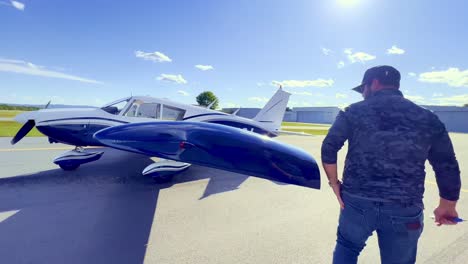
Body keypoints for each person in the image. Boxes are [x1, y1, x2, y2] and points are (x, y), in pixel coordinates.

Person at [321, 65, 461, 264]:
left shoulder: (352, 112)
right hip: (405, 206)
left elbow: (329, 147)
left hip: (356, 202)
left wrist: (334, 184)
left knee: (347, 247)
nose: (363, 94)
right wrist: (447, 205)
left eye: (364, 89)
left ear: (374, 83)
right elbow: (446, 163)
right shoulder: (427, 117)